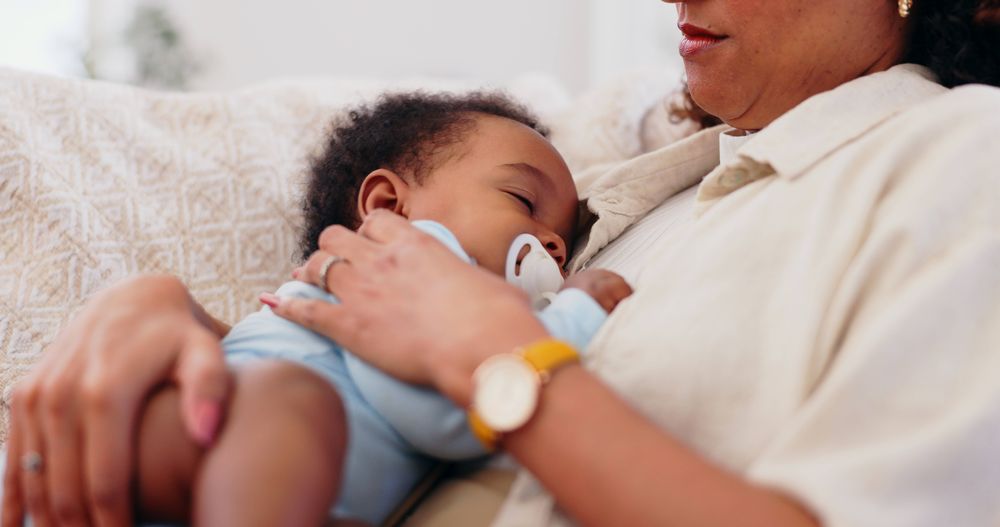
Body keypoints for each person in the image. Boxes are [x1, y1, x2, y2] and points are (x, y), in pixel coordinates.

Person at [4, 0, 1000, 526]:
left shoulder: (960, 155)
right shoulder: (641, 179)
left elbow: (444, 343)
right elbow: (367, 329)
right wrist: (168, 315)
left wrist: (501, 360)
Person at [2, 92, 632, 526]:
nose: (552, 242)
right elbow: (444, 414)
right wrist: (574, 312)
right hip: (216, 428)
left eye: (564, 237)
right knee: (291, 397)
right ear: (387, 208)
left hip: (206, 480)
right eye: (524, 200)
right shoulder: (413, 262)